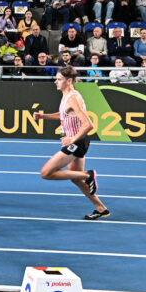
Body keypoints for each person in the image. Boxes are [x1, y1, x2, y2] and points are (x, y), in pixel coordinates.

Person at [32, 66, 110, 220]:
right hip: (78, 142)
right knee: (75, 178)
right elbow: (63, 114)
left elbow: (88, 125)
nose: (55, 82)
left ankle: (88, 174)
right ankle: (101, 208)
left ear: (69, 81)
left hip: (76, 142)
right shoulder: (66, 95)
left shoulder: (73, 97)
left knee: (45, 173)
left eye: (59, 79)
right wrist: (44, 116)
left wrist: (71, 139)